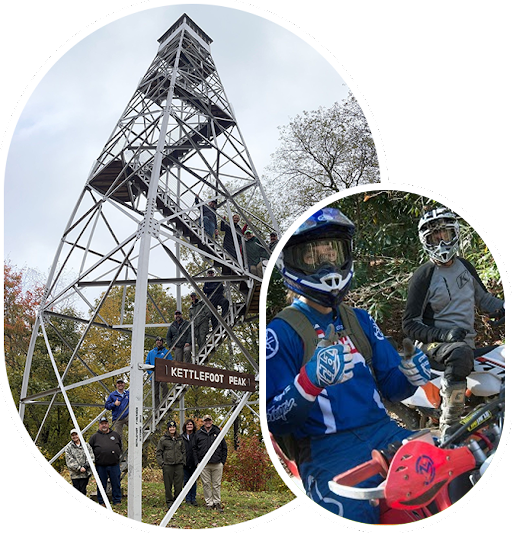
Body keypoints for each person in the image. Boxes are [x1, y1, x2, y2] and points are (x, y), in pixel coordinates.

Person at [265, 207, 430, 524]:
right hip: (327, 451)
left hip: (384, 432)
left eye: (333, 252)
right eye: (314, 256)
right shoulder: (280, 333)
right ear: (293, 260)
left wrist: (411, 375)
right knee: (349, 516)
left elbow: (392, 388)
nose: (327, 264)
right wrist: (309, 382)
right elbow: (274, 421)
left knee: (448, 471)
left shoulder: (361, 320)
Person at [403, 207, 504, 439]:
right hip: (432, 347)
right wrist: (444, 335)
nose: (441, 242)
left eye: (444, 235)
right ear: (425, 241)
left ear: (454, 234)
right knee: (459, 353)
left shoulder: (465, 266)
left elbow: (485, 299)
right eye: (434, 237)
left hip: (465, 345)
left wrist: (505, 308)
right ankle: (451, 423)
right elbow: (409, 325)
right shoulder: (424, 275)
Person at [193, 414, 228, 511]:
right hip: (203, 464)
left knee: (216, 484)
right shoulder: (198, 434)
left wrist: (222, 462)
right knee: (206, 484)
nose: (207, 422)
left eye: (209, 420)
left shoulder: (218, 432)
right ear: (203, 422)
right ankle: (209, 503)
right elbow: (194, 449)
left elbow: (224, 448)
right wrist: (197, 462)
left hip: (217, 463)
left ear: (212, 421)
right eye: (205, 420)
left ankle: (217, 502)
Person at [89, 416, 123, 506]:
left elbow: (120, 446)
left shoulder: (115, 435)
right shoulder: (94, 437)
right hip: (101, 465)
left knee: (116, 483)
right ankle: (102, 501)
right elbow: (89, 449)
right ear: (99, 425)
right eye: (102, 424)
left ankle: (117, 500)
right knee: (101, 484)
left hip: (114, 464)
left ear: (108, 424)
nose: (104, 425)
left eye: (105, 423)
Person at [156, 420, 186, 509]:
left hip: (178, 465)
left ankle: (177, 501)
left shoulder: (180, 438)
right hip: (168, 465)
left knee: (178, 485)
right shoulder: (163, 439)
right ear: (168, 428)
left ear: (175, 428)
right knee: (168, 485)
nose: (172, 429)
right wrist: (162, 463)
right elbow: (159, 452)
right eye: (170, 427)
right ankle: (169, 501)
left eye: (173, 427)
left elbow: (184, 451)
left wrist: (183, 462)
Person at [65, 428, 94, 495]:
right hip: (75, 474)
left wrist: (85, 466)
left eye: (76, 434)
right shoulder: (68, 447)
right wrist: (79, 468)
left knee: (83, 490)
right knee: (76, 491)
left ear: (79, 435)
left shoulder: (86, 445)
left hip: (85, 473)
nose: (74, 436)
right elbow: (69, 460)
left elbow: (91, 456)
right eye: (73, 435)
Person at [145, 337, 172, 405]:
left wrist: (167, 372)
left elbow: (170, 362)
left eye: (160, 341)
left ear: (162, 342)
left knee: (164, 385)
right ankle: (157, 409)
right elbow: (147, 363)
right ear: (156, 342)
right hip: (153, 374)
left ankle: (164, 402)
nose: (159, 342)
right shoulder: (151, 352)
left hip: (163, 373)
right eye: (157, 340)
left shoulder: (166, 352)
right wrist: (151, 372)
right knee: (155, 392)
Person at [181, 419, 198, 506]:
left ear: (193, 426)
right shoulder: (181, 437)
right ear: (185, 426)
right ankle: (187, 498)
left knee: (193, 482)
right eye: (188, 425)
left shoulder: (196, 436)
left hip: (194, 462)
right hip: (185, 463)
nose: (189, 426)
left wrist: (197, 461)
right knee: (186, 481)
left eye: (191, 424)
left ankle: (193, 498)